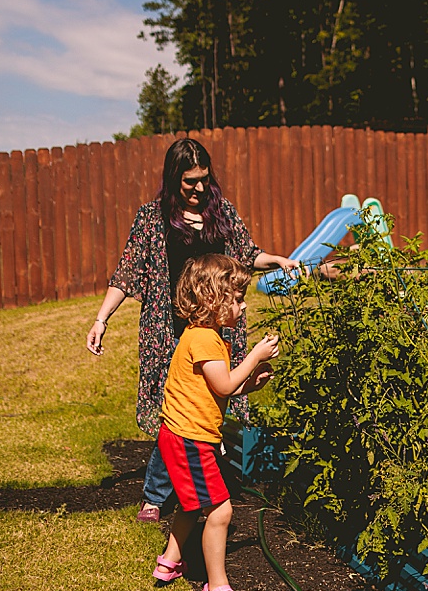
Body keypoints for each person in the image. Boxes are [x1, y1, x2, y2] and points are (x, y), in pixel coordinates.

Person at [87, 137, 296, 522]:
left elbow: (248, 253)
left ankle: (201, 484)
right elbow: (127, 273)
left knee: (207, 407)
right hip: (170, 334)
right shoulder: (152, 218)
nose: (199, 188)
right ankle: (156, 493)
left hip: (219, 332)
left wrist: (277, 259)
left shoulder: (222, 213)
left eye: (204, 179)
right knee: (176, 415)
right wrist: (101, 319)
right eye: (189, 182)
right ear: (173, 180)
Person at [150, 254, 280, 591]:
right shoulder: (206, 339)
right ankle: (217, 588)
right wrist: (254, 356)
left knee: (193, 504)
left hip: (184, 436)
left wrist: (248, 386)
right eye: (237, 298)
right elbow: (223, 382)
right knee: (220, 511)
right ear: (212, 300)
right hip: (189, 438)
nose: (243, 305)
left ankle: (170, 561)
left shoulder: (203, 336)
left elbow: (215, 390)